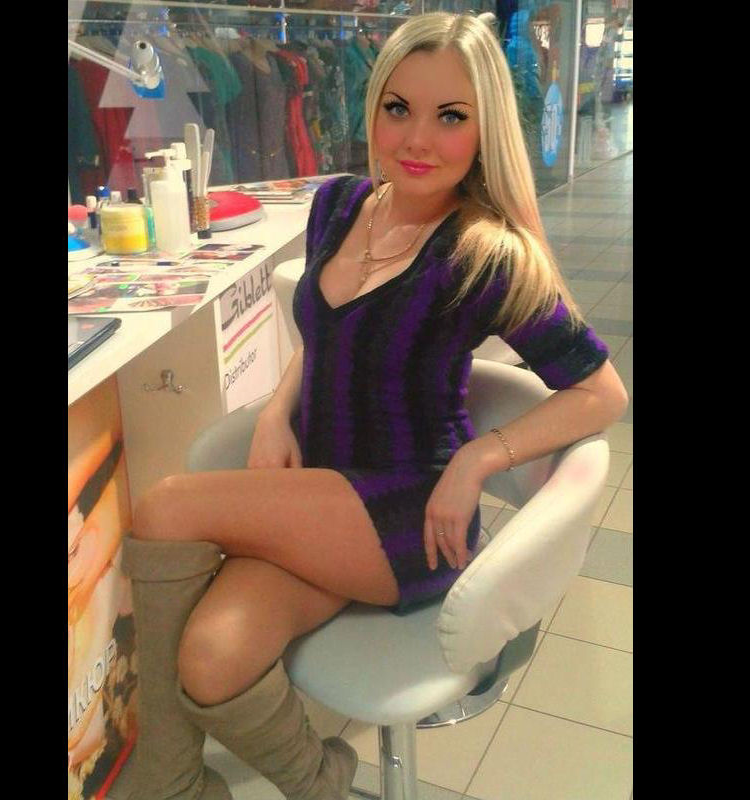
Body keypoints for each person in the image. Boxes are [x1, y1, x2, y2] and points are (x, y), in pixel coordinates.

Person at [110, 11, 628, 800]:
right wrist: (278, 411)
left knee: (166, 505)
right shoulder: (341, 204)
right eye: (398, 107)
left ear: (485, 130)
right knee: (211, 658)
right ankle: (321, 782)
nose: (417, 138)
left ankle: (165, 778)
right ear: (373, 105)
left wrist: (478, 459)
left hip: (406, 515)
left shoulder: (484, 255)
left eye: (450, 116)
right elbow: (329, 335)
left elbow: (601, 392)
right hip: (320, 497)